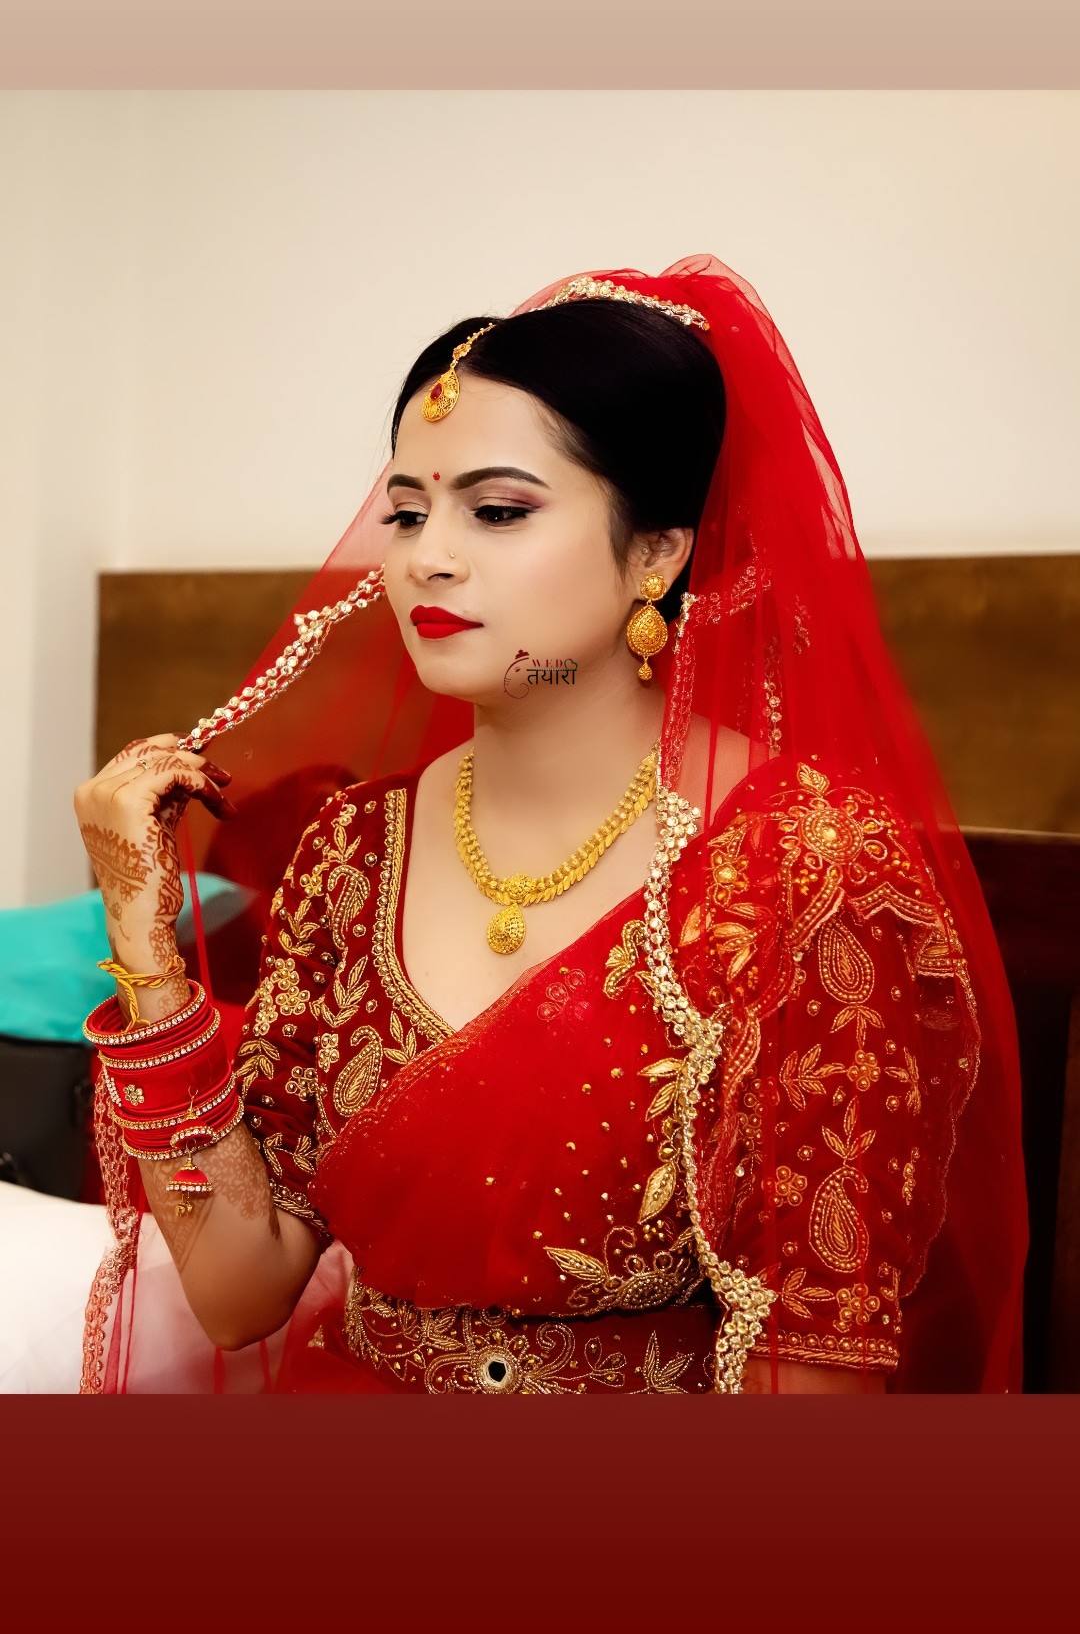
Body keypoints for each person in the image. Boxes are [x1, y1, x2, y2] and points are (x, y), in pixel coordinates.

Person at [74, 254, 1028, 1394]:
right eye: (406, 512)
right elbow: (241, 1291)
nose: (427, 557)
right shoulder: (354, 852)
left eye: (498, 510)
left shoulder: (802, 867)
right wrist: (144, 941)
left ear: (657, 551)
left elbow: (814, 1370)